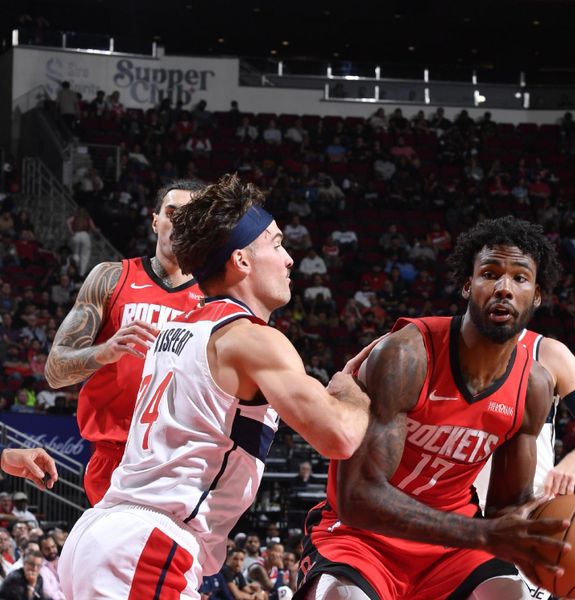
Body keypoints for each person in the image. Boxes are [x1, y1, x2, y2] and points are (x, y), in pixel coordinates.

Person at [58, 174, 372, 599]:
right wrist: (352, 388)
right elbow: (341, 435)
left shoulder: (180, 327)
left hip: (107, 534)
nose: (289, 259)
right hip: (147, 544)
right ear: (242, 260)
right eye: (277, 244)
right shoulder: (250, 339)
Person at [296, 217, 575, 599]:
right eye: (490, 273)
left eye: (520, 278)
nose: (504, 288)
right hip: (364, 537)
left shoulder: (533, 386)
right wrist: (483, 533)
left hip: (453, 545)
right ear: (467, 285)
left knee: (509, 594)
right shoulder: (407, 356)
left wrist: (561, 538)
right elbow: (357, 500)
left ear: (537, 295)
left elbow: (505, 509)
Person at [45, 179, 206, 505]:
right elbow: (55, 371)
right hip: (114, 454)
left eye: (191, 215)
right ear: (155, 221)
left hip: (180, 458)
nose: (179, 223)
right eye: (172, 213)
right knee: (113, 555)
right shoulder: (111, 277)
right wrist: (103, 352)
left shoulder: (215, 298)